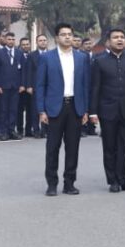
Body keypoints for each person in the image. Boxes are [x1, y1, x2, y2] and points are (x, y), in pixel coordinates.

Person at [36, 23, 91, 196]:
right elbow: (40, 85)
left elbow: (85, 85)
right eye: (63, 34)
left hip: (75, 107)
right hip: (54, 108)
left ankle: (69, 183)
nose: (67, 37)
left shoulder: (82, 58)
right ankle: (52, 184)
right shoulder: (47, 58)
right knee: (52, 148)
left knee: (73, 148)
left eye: (70, 34)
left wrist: (86, 110)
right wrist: (41, 110)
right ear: (57, 38)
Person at [90, 28, 125, 192]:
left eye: (122, 37)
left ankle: (123, 179)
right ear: (108, 41)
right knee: (109, 147)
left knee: (124, 146)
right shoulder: (100, 61)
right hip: (107, 111)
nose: (120, 40)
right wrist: (93, 111)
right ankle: (112, 180)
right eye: (116, 37)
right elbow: (95, 88)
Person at [0, 32, 25, 141]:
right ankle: (3, 131)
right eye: (9, 39)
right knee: (3, 110)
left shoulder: (19, 53)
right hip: (3, 87)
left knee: (13, 109)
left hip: (15, 87)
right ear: (5, 40)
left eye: (13, 39)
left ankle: (11, 130)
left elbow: (23, 71)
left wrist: (22, 84)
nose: (11, 41)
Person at [25, 34, 49, 138]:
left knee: (47, 109)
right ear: (36, 42)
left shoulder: (51, 54)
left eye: (44, 40)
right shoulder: (32, 55)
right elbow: (29, 71)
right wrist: (29, 85)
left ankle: (45, 130)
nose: (43, 42)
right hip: (35, 86)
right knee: (35, 109)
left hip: (49, 86)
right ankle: (36, 130)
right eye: (40, 40)